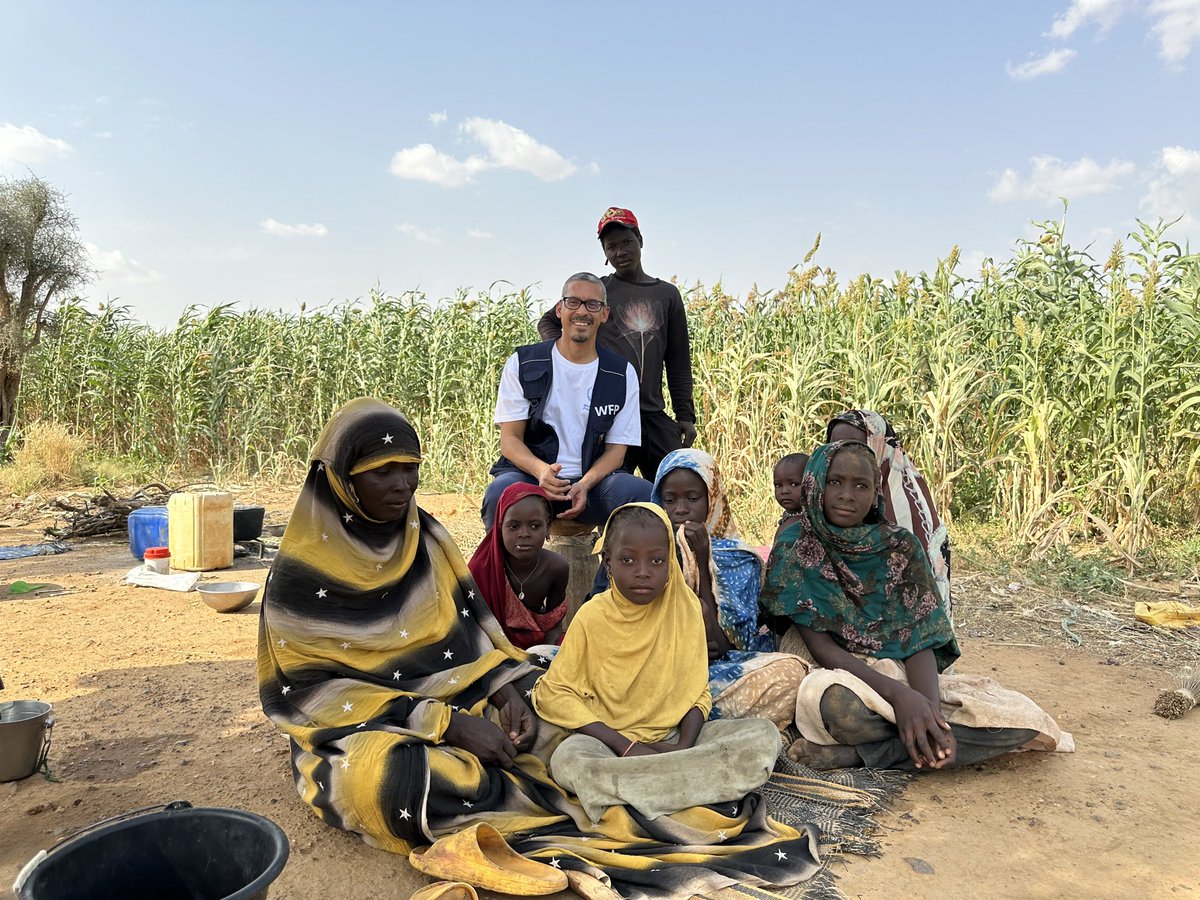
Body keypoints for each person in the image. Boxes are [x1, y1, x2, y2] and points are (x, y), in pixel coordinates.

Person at [257, 398, 816, 897]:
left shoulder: (424, 538)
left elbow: (470, 638)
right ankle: (560, 798)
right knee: (386, 779)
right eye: (385, 474)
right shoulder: (303, 573)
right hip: (364, 727)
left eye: (412, 470)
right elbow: (308, 692)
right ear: (343, 479)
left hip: (461, 697)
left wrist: (504, 695)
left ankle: (566, 788)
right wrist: (443, 723)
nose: (404, 486)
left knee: (542, 702)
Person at [531, 504, 819, 886]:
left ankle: (641, 793)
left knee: (761, 739)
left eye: (656, 560)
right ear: (608, 564)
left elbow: (697, 691)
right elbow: (557, 692)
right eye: (628, 560)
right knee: (570, 763)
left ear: (671, 562)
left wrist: (684, 743)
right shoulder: (592, 616)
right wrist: (626, 746)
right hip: (610, 743)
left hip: (677, 740)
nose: (643, 572)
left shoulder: (684, 608)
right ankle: (687, 790)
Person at [759, 440, 1073, 771]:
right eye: (835, 482)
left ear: (875, 493)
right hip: (835, 672)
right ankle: (916, 743)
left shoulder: (899, 546)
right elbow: (825, 651)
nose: (847, 495)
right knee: (836, 706)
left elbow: (919, 635)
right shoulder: (795, 547)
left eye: (861, 485)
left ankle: (869, 754)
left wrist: (929, 710)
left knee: (1023, 723)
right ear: (816, 482)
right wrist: (900, 698)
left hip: (899, 671)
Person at [483, 272, 650, 530]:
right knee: (499, 495)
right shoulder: (524, 363)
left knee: (646, 498)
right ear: (559, 309)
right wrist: (541, 472)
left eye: (592, 304)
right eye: (573, 302)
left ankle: (621, 569)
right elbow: (510, 440)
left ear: (604, 314)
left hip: (593, 487)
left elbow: (616, 452)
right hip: (531, 479)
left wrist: (585, 484)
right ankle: (499, 571)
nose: (582, 311)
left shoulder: (620, 373)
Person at [653, 449, 808, 727]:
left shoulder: (739, 558)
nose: (680, 509)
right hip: (653, 662)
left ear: (713, 498)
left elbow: (729, 647)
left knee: (791, 676)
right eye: (670, 500)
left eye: (692, 498)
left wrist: (701, 562)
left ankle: (660, 713)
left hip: (716, 673)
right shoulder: (647, 547)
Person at [537, 208, 696, 478]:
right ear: (605, 254)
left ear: (640, 240)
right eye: (611, 247)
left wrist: (685, 414)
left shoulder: (667, 295)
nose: (620, 251)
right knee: (607, 495)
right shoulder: (597, 291)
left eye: (626, 242)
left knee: (676, 487)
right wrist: (575, 353)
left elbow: (678, 359)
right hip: (607, 416)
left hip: (651, 414)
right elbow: (549, 322)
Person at [826, 410, 952, 623]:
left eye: (856, 446)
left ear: (878, 447)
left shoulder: (905, 512)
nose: (845, 453)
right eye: (835, 446)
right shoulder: (827, 491)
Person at [468, 482, 569, 650]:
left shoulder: (557, 568)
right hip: (490, 646)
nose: (524, 534)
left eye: (535, 526)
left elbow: (554, 624)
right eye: (513, 526)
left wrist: (542, 655)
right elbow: (471, 625)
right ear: (500, 528)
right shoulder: (481, 568)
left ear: (548, 528)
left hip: (537, 645)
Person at [771, 452, 809, 544]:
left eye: (794, 484)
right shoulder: (788, 517)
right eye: (778, 485)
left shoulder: (807, 525)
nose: (784, 491)